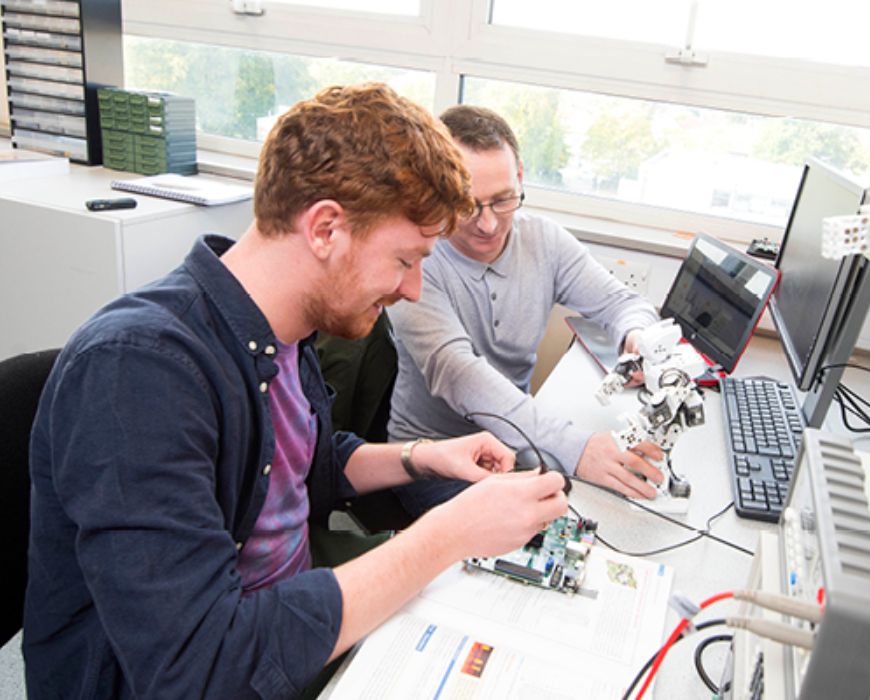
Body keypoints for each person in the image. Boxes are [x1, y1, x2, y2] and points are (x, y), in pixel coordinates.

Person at [22, 83, 567, 699]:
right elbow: (199, 669)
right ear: (326, 229)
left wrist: (422, 457)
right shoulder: (137, 374)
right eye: (405, 260)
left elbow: (301, 460)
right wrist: (446, 536)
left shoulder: (282, 330)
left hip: (288, 626)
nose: (413, 289)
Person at [388, 104, 666, 518]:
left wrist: (638, 337)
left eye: (503, 200)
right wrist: (577, 448)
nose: (487, 225)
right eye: (467, 205)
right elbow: (461, 375)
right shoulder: (415, 260)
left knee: (593, 519)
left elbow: (622, 303)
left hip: (512, 446)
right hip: (431, 462)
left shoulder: (544, 241)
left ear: (519, 175)